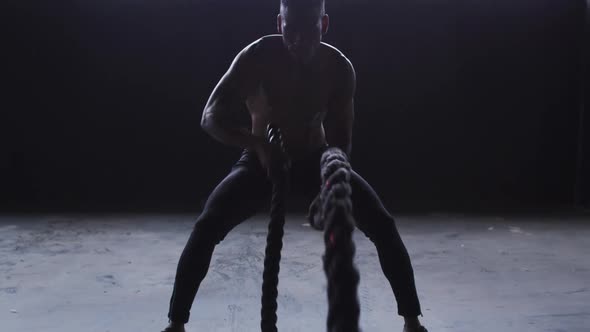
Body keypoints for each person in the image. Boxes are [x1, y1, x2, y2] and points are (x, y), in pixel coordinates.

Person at [162, 0, 428, 331]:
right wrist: (258, 145)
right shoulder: (256, 58)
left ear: (325, 24)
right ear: (279, 23)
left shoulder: (339, 68)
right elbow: (210, 117)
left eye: (310, 30)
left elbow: (341, 140)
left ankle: (412, 322)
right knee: (207, 227)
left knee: (382, 225)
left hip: (316, 160)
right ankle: (176, 325)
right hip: (262, 162)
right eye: (291, 30)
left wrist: (333, 182)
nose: (299, 41)